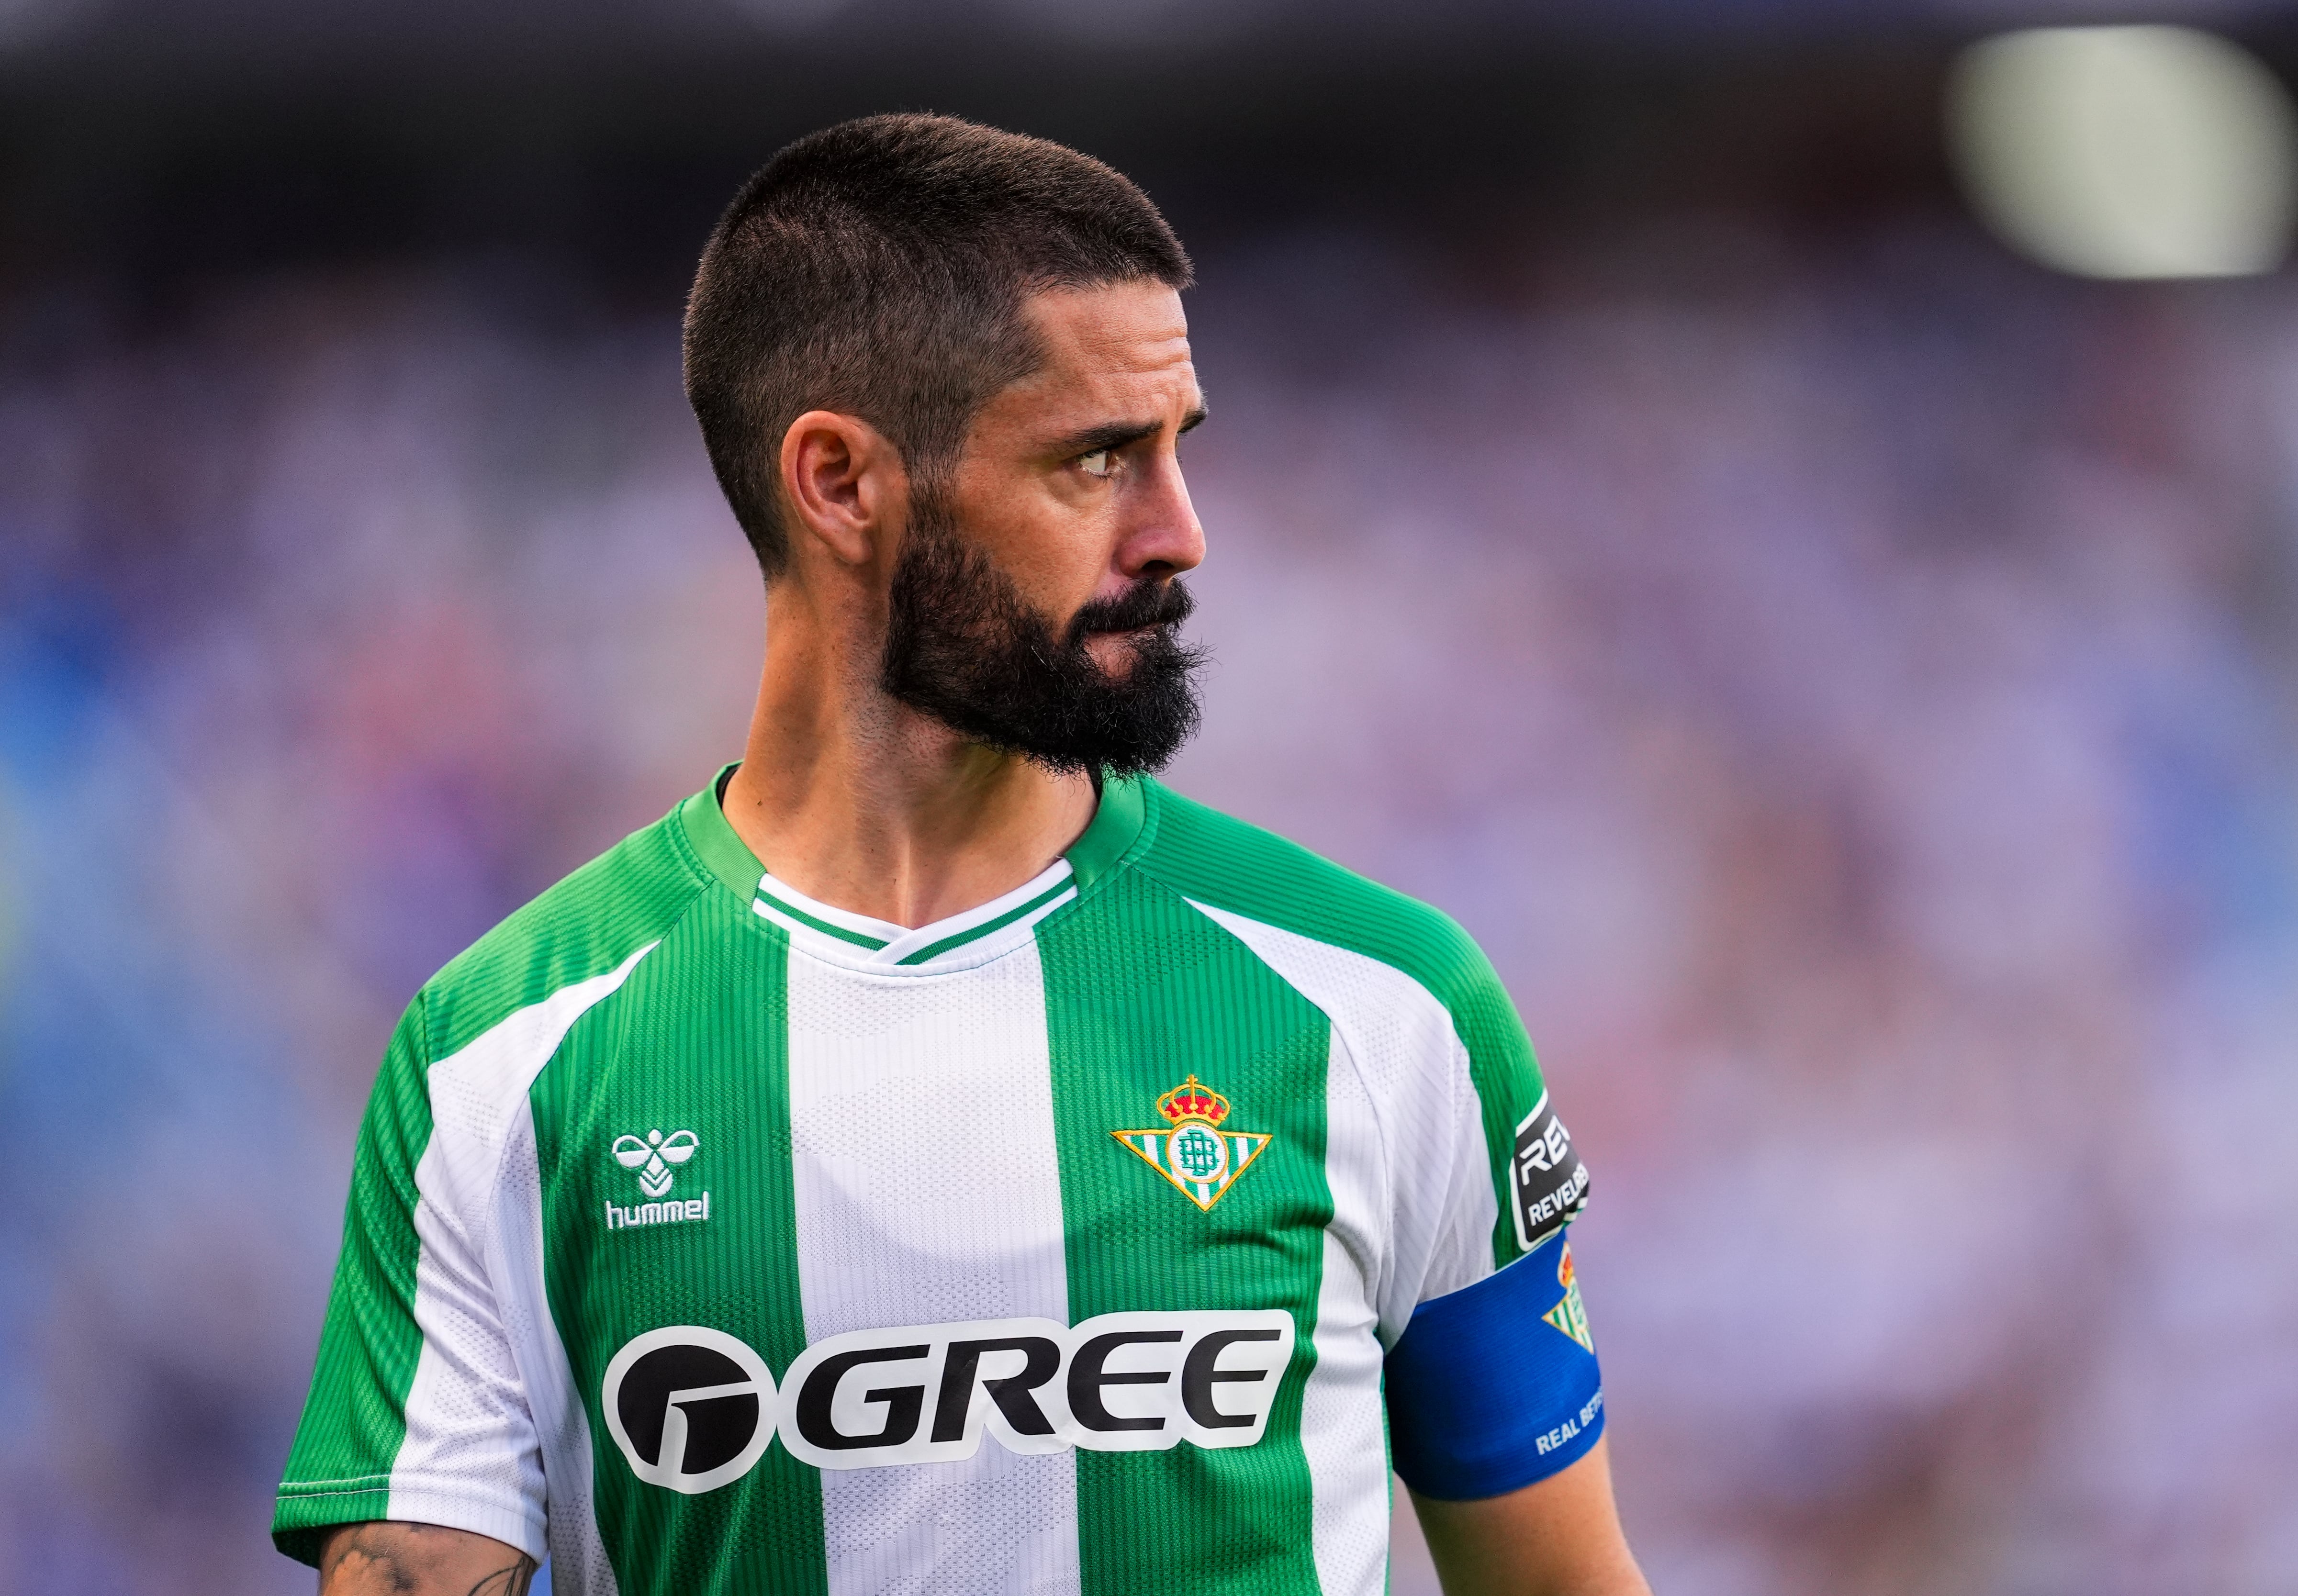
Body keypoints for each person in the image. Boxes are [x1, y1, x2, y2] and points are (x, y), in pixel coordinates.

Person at [272, 112, 1650, 1596]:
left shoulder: (1390, 1006)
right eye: (1097, 460)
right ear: (840, 482)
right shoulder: (500, 1056)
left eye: (1178, 451)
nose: (1179, 534)